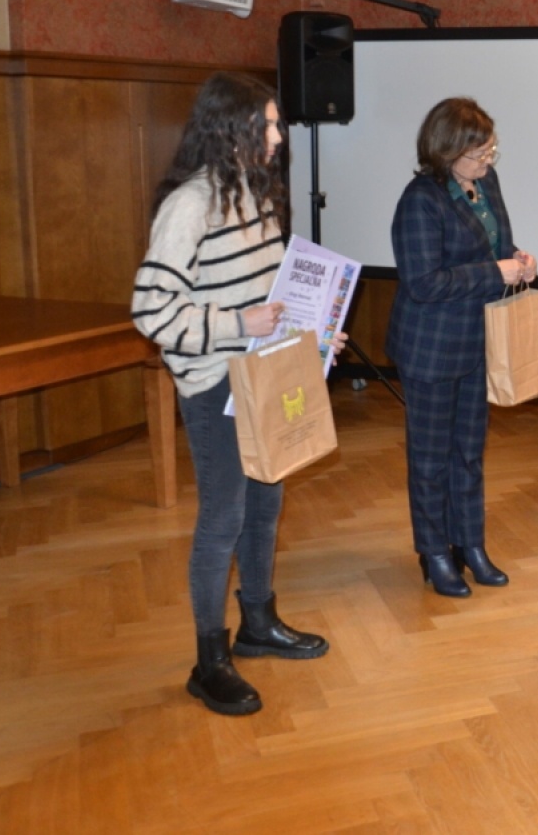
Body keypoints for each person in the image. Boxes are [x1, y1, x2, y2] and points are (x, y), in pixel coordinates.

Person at [131, 72, 336, 716]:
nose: (278, 137)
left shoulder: (256, 193)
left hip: (262, 374)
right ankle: (209, 661)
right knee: (224, 517)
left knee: (266, 503)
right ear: (229, 129)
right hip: (212, 381)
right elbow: (151, 310)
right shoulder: (190, 204)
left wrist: (316, 325)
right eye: (266, 125)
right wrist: (235, 325)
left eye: (276, 125)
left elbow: (269, 299)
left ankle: (258, 623)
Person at [387, 97, 534, 598]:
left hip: (477, 340)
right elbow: (423, 282)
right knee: (431, 459)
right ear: (446, 151)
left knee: (469, 453)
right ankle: (434, 554)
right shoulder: (420, 200)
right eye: (478, 154)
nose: (487, 161)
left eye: (491, 151)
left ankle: (470, 545)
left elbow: (495, 246)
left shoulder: (486, 183)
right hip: (430, 348)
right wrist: (494, 272)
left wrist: (518, 260)